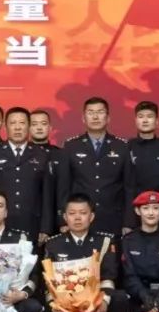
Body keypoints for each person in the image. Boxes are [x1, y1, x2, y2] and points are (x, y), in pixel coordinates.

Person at [40, 193, 129, 312]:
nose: (77, 218)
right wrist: (54, 307)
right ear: (65, 217)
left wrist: (104, 301)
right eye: (72, 213)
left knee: (119, 298)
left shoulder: (104, 242)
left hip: (95, 304)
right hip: (65, 306)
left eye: (83, 213)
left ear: (91, 216)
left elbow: (109, 277)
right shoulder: (53, 244)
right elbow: (48, 282)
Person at [57, 97, 133, 240]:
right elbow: (64, 187)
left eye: (100, 112)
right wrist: (63, 219)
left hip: (113, 220)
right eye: (91, 112)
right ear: (83, 118)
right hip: (79, 221)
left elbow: (129, 187)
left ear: (108, 118)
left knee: (112, 255)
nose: (95, 116)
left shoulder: (122, 146)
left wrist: (128, 222)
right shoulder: (71, 146)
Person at [0, 107, 55, 244]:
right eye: (13, 123)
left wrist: (45, 227)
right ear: (5, 126)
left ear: (29, 126)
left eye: (22, 123)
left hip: (33, 223)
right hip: (0, 223)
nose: (17, 128)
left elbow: (47, 194)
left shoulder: (42, 154)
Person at [126, 102, 159, 233]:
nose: (145, 120)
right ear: (135, 121)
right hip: (134, 214)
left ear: (157, 122)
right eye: (141, 116)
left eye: (149, 116)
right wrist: (126, 221)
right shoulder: (126, 147)